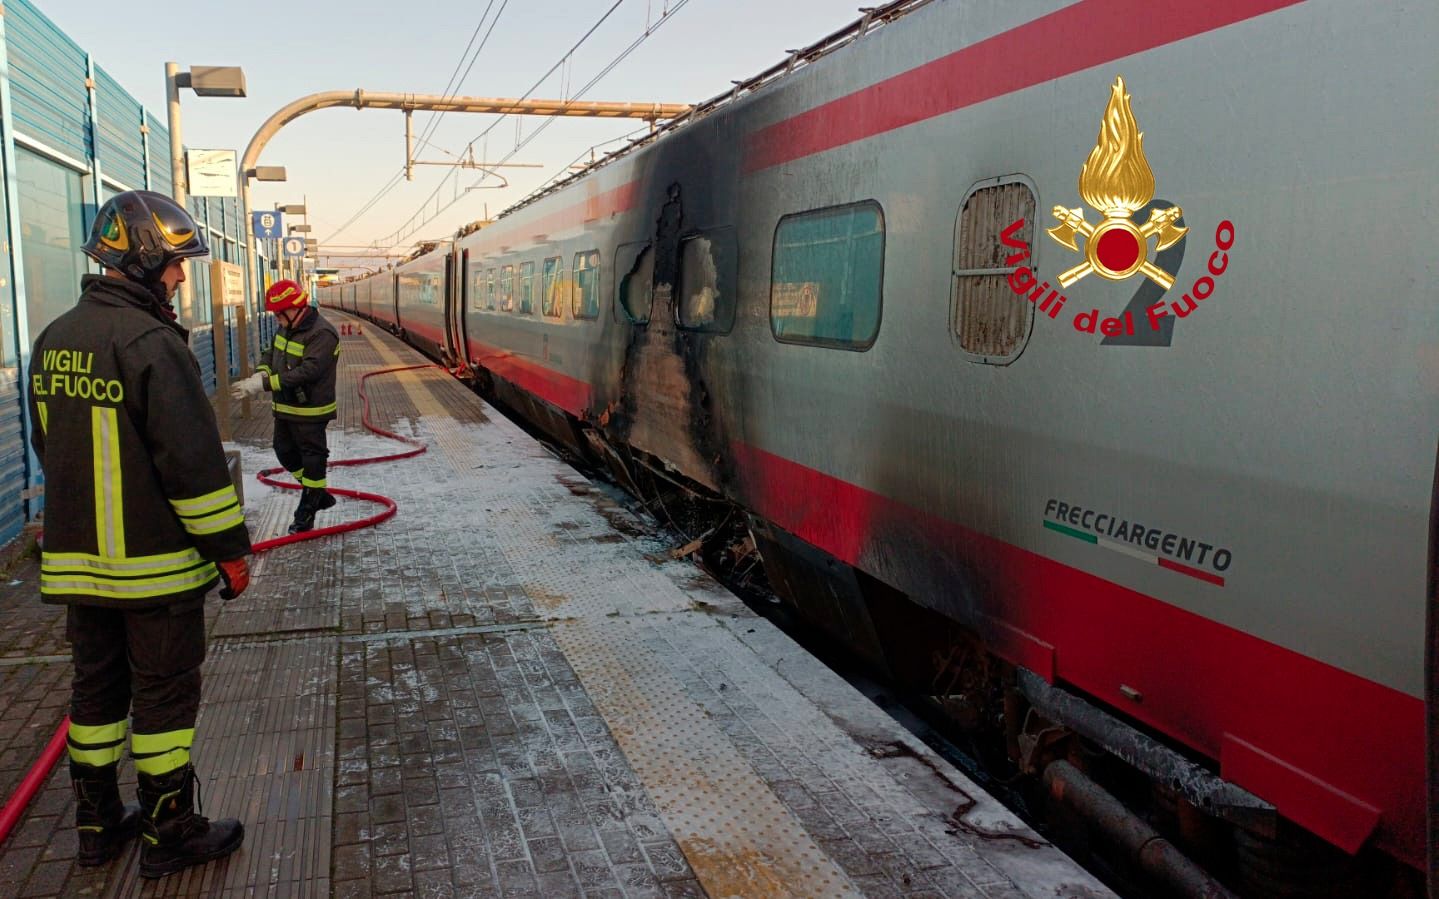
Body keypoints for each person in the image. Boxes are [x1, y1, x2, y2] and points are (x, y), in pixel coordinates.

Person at [26, 190, 251, 878]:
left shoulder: (53, 338)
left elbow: (48, 445)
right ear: (144, 258)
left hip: (77, 569)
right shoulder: (152, 343)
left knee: (94, 696)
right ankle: (170, 831)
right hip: (154, 569)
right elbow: (194, 467)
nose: (181, 276)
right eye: (176, 263)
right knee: (163, 698)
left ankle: (97, 826)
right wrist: (230, 550)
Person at [232, 279, 340, 533]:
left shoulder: (322, 334)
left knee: (312, 457)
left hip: (311, 409)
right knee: (284, 451)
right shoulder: (286, 328)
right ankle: (318, 494)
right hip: (285, 407)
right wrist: (261, 372)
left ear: (295, 309)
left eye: (279, 313)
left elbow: (309, 371)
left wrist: (266, 384)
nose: (276, 318)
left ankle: (307, 509)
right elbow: (271, 353)